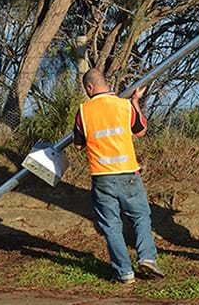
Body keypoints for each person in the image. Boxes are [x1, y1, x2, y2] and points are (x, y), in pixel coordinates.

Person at [73, 68, 165, 284]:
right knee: (140, 217)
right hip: (129, 174)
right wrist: (135, 101)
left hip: (102, 177)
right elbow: (141, 130)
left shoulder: (84, 111)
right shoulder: (124, 106)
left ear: (89, 87)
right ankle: (147, 258)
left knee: (112, 226)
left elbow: (78, 145)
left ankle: (124, 273)